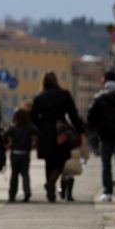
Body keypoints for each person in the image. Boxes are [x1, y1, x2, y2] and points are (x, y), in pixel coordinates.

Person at [30, 71, 85, 202]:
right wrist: (79, 129)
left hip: (45, 132)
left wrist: (41, 126)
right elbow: (73, 114)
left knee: (49, 161)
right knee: (62, 158)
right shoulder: (64, 95)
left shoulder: (39, 97)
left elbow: (33, 117)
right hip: (62, 131)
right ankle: (51, 183)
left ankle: (51, 191)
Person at [87, 70, 115, 201]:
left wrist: (94, 129)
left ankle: (107, 192)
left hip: (105, 134)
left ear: (106, 80)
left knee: (106, 164)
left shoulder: (100, 97)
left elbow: (91, 115)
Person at [4, 107, 37, 202]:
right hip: (25, 153)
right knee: (25, 174)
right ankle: (27, 192)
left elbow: (5, 135)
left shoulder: (13, 127)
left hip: (15, 153)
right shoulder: (30, 126)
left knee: (14, 174)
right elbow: (38, 133)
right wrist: (33, 142)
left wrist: (8, 143)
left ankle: (12, 194)